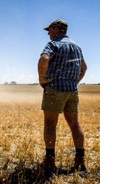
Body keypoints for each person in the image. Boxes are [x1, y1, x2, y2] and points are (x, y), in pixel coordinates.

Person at [38, 19, 88, 174]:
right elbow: (84, 67)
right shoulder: (76, 47)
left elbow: (44, 59)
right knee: (75, 124)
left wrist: (42, 79)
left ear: (57, 29)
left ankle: (49, 160)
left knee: (50, 124)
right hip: (72, 90)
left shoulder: (54, 44)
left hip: (55, 89)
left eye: (50, 29)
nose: (48, 33)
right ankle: (80, 160)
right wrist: (74, 82)